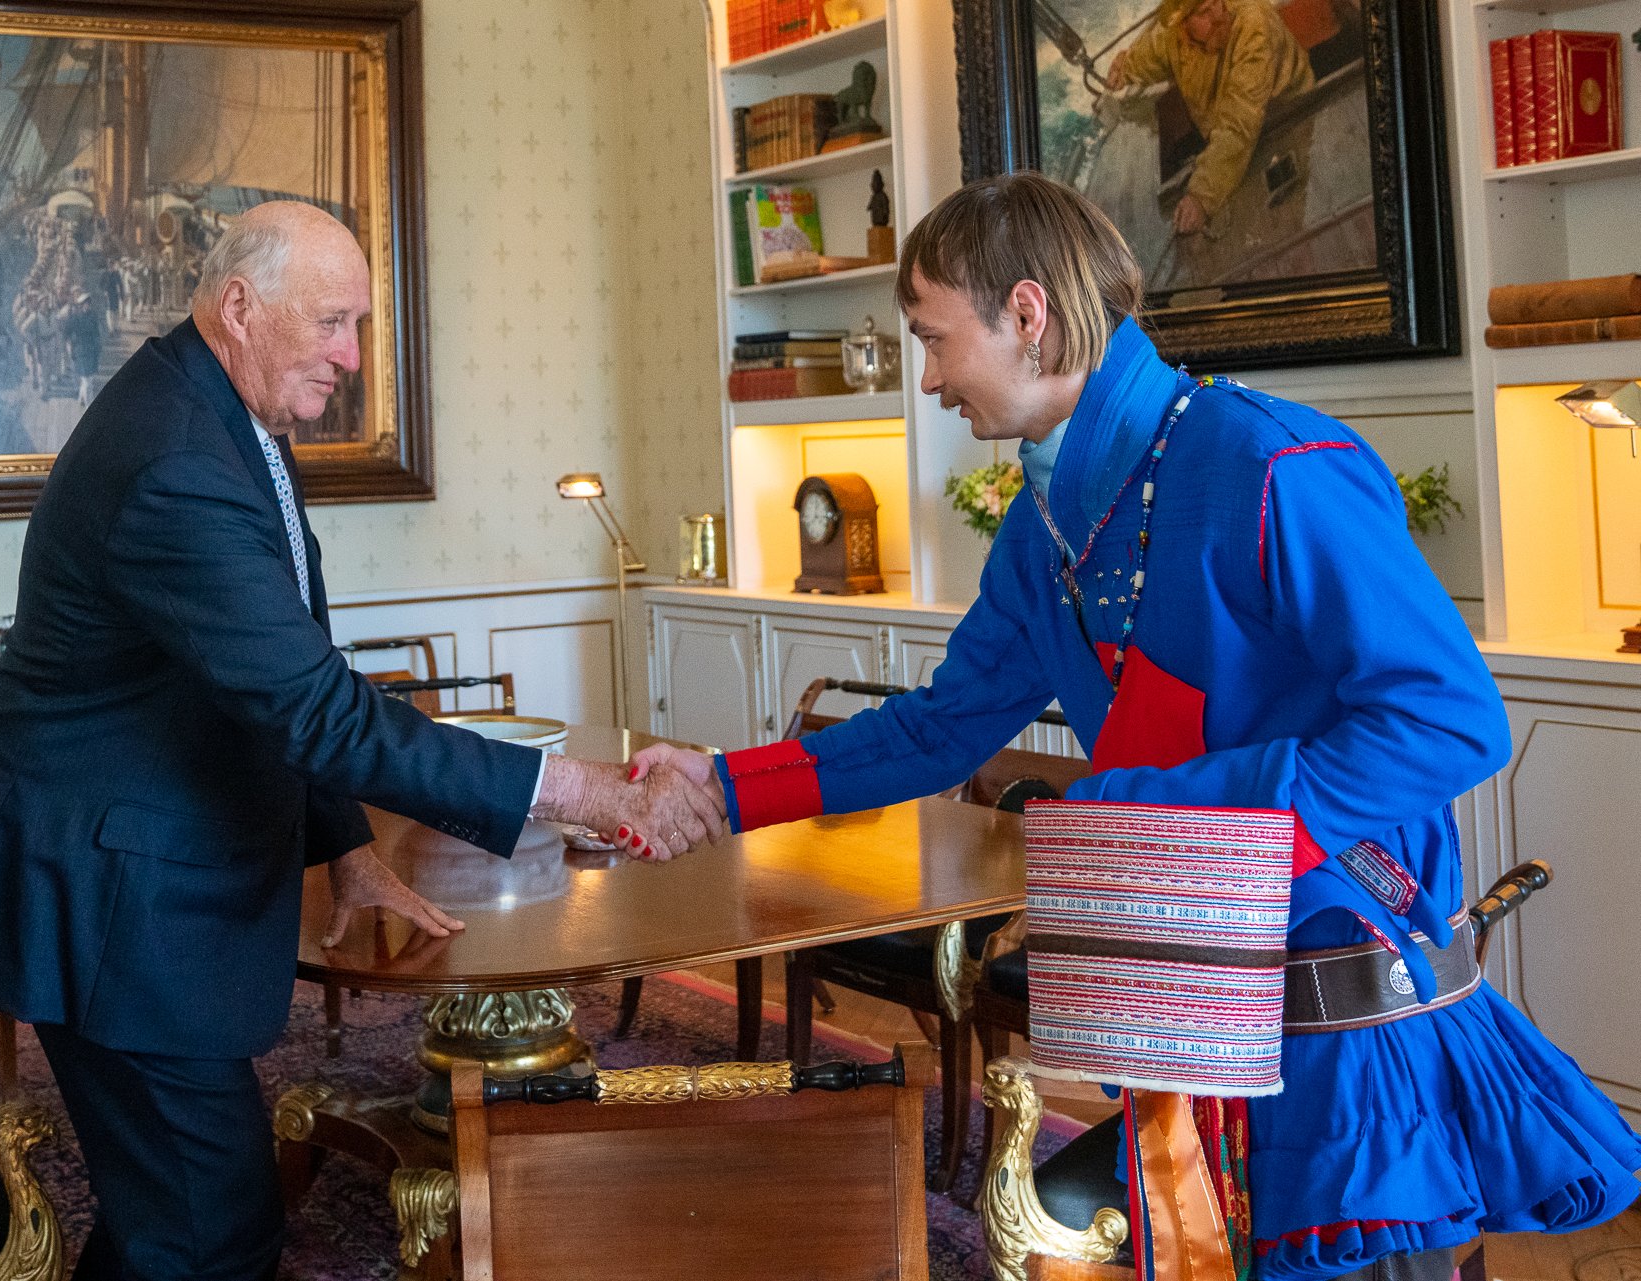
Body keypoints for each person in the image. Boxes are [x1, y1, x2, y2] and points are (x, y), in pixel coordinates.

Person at [632, 172, 1641, 1281]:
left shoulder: (1274, 464)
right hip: (1191, 1015)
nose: (927, 378)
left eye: (932, 338)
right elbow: (938, 731)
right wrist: (721, 785)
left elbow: (1450, 723)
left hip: (1348, 1042)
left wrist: (1160, 813)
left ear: (1027, 313)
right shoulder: (1043, 527)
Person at [0, 200, 723, 1281]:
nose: (351, 358)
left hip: (125, 874)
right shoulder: (175, 458)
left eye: (359, 326)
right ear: (240, 307)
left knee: (177, 1220)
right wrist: (591, 792)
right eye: (331, 324)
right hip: (104, 896)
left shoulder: (229, 415)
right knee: (212, 1231)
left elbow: (267, 673)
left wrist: (346, 845)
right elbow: (317, 707)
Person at [1106, 0, 1314, 235]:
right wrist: (1125, 69)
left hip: (1288, 121)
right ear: (1183, 26)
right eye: (1205, 11)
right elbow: (1155, 50)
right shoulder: (1174, 36)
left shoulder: (1254, 25)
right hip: (1228, 140)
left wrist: (1201, 197)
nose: (1217, 15)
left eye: (1216, 2)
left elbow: (1239, 123)